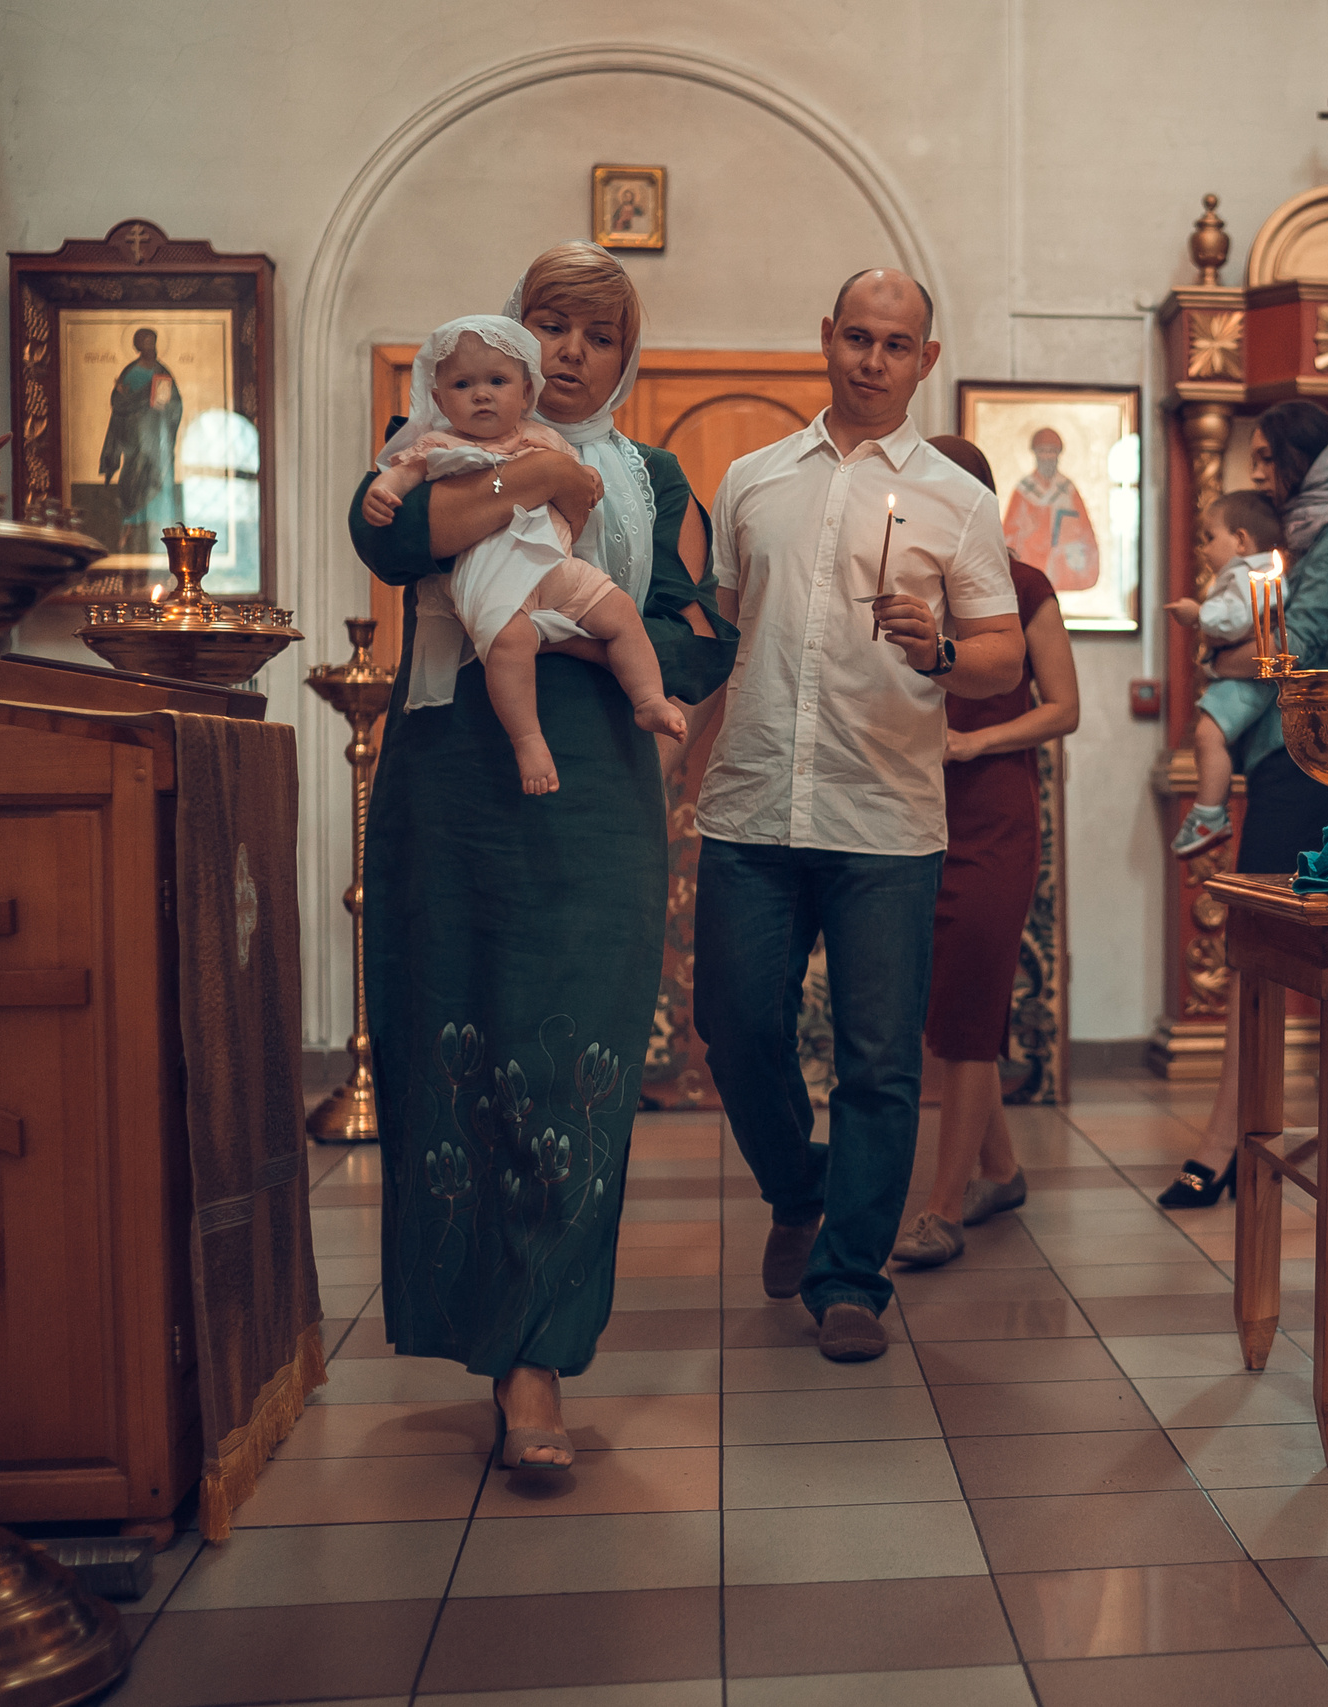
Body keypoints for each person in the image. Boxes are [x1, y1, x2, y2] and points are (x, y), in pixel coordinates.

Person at [350, 242, 736, 1473]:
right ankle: (472, 1318)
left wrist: (580, 641)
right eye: (550, 325)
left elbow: (697, 630)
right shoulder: (437, 439)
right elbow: (398, 542)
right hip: (451, 776)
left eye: (600, 335)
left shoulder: (655, 475)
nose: (571, 352)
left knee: (576, 1050)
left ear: (627, 357)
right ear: (510, 335)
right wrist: (539, 477)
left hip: (594, 783)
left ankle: (536, 1367)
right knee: (450, 1028)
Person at [696, 268, 1025, 1361]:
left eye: (897, 344)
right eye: (857, 337)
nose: (873, 360)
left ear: (925, 359)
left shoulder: (957, 499)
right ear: (825, 337)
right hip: (751, 804)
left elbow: (999, 657)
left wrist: (937, 646)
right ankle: (800, 1191)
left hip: (884, 813)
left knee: (881, 1062)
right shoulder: (751, 480)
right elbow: (727, 637)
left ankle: (850, 1279)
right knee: (736, 1030)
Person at [1158, 401, 1328, 1208]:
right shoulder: (1309, 532)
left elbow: (1291, 650)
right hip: (1290, 756)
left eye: (1273, 461)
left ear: (1307, 460)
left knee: (1264, 946)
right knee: (1283, 947)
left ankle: (1234, 1135)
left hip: (1313, 757)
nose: (1262, 477)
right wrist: (1235, 647)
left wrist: (1213, 644)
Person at [892, 434, 1081, 1268]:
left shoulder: (1026, 586)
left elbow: (1064, 708)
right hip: (906, 807)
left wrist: (976, 744)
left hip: (993, 810)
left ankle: (942, 1208)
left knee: (970, 1011)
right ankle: (999, 1169)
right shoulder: (903, 590)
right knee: (948, 1002)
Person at [362, 315, 687, 794]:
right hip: (489, 577)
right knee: (511, 642)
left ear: (525, 392)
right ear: (439, 398)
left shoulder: (540, 439)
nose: (481, 394)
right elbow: (401, 477)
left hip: (551, 564)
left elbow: (579, 486)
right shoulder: (438, 445)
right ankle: (528, 739)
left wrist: (586, 481)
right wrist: (383, 490)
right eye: (463, 384)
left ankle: (649, 698)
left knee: (618, 609)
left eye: (497, 381)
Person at [1165, 489, 1283, 860]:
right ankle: (1210, 812)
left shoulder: (1253, 575)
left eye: (1209, 537)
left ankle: (1209, 814)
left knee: (1207, 734)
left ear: (1241, 539)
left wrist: (1198, 615)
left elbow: (1239, 618)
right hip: (1237, 676)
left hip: (1246, 680)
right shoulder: (1247, 573)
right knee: (1208, 733)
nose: (1203, 548)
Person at [102, 325, 182, 555]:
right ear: (138, 347)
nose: (152, 348)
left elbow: (175, 404)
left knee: (159, 476)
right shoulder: (132, 372)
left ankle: (160, 533)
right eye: (147, 343)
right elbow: (119, 404)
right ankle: (129, 526)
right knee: (133, 476)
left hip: (158, 437)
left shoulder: (163, 372)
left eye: (154, 342)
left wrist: (166, 406)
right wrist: (134, 401)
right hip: (136, 437)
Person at [1001, 426, 1104, 591]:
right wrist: (1026, 529)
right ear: (1035, 453)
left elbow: (1084, 531)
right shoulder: (1024, 490)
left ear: (1058, 454)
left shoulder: (1067, 489)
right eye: (1042, 451)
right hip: (1030, 561)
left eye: (1051, 451)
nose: (1047, 456)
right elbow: (1009, 533)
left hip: (1061, 563)